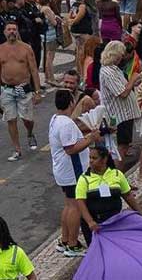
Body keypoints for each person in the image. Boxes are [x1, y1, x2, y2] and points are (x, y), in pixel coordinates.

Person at [49, 89, 98, 257]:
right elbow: (71, 149)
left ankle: (64, 240)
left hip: (63, 171)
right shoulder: (66, 124)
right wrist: (90, 139)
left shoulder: (55, 120)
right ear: (71, 103)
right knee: (76, 207)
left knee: (69, 205)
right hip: (72, 171)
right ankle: (72, 244)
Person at [75, 145, 142, 246]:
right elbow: (80, 203)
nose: (90, 161)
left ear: (104, 159)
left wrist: (140, 213)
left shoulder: (117, 174)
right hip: (96, 225)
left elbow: (128, 196)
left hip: (115, 221)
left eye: (94, 158)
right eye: (90, 158)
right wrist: (90, 222)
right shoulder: (84, 179)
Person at [97, 41, 142, 170]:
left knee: (123, 146)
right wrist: (132, 80)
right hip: (119, 116)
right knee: (120, 149)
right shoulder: (108, 72)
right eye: (120, 55)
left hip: (125, 114)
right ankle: (118, 177)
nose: (122, 58)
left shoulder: (114, 69)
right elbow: (122, 93)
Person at [0, 21, 42, 161]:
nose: (12, 31)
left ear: (17, 31)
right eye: (9, 29)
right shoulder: (1, 49)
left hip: (22, 88)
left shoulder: (26, 48)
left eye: (14, 29)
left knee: (27, 119)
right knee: (11, 119)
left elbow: (34, 70)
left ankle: (30, 133)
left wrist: (37, 91)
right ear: (4, 32)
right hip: (7, 89)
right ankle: (17, 149)